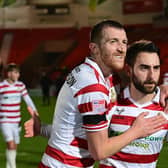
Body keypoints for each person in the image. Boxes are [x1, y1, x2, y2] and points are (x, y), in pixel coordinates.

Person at [24, 20, 168, 168]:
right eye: (113, 41)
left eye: (124, 42)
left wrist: (41, 129)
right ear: (94, 48)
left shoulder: (101, 76)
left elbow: (73, 131)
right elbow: (99, 152)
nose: (121, 49)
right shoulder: (93, 87)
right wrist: (137, 131)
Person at [99, 40, 168, 168]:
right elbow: (81, 135)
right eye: (144, 68)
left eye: (156, 68)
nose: (151, 75)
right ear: (129, 70)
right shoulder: (110, 102)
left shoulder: (165, 107)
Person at [0, 63, 38, 168]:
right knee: (11, 144)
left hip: (17, 121)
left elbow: (27, 99)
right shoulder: (2, 86)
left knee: (14, 146)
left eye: (18, 73)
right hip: (5, 120)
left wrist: (34, 111)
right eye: (15, 72)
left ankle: (9, 166)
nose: (18, 75)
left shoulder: (20, 85)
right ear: (9, 74)